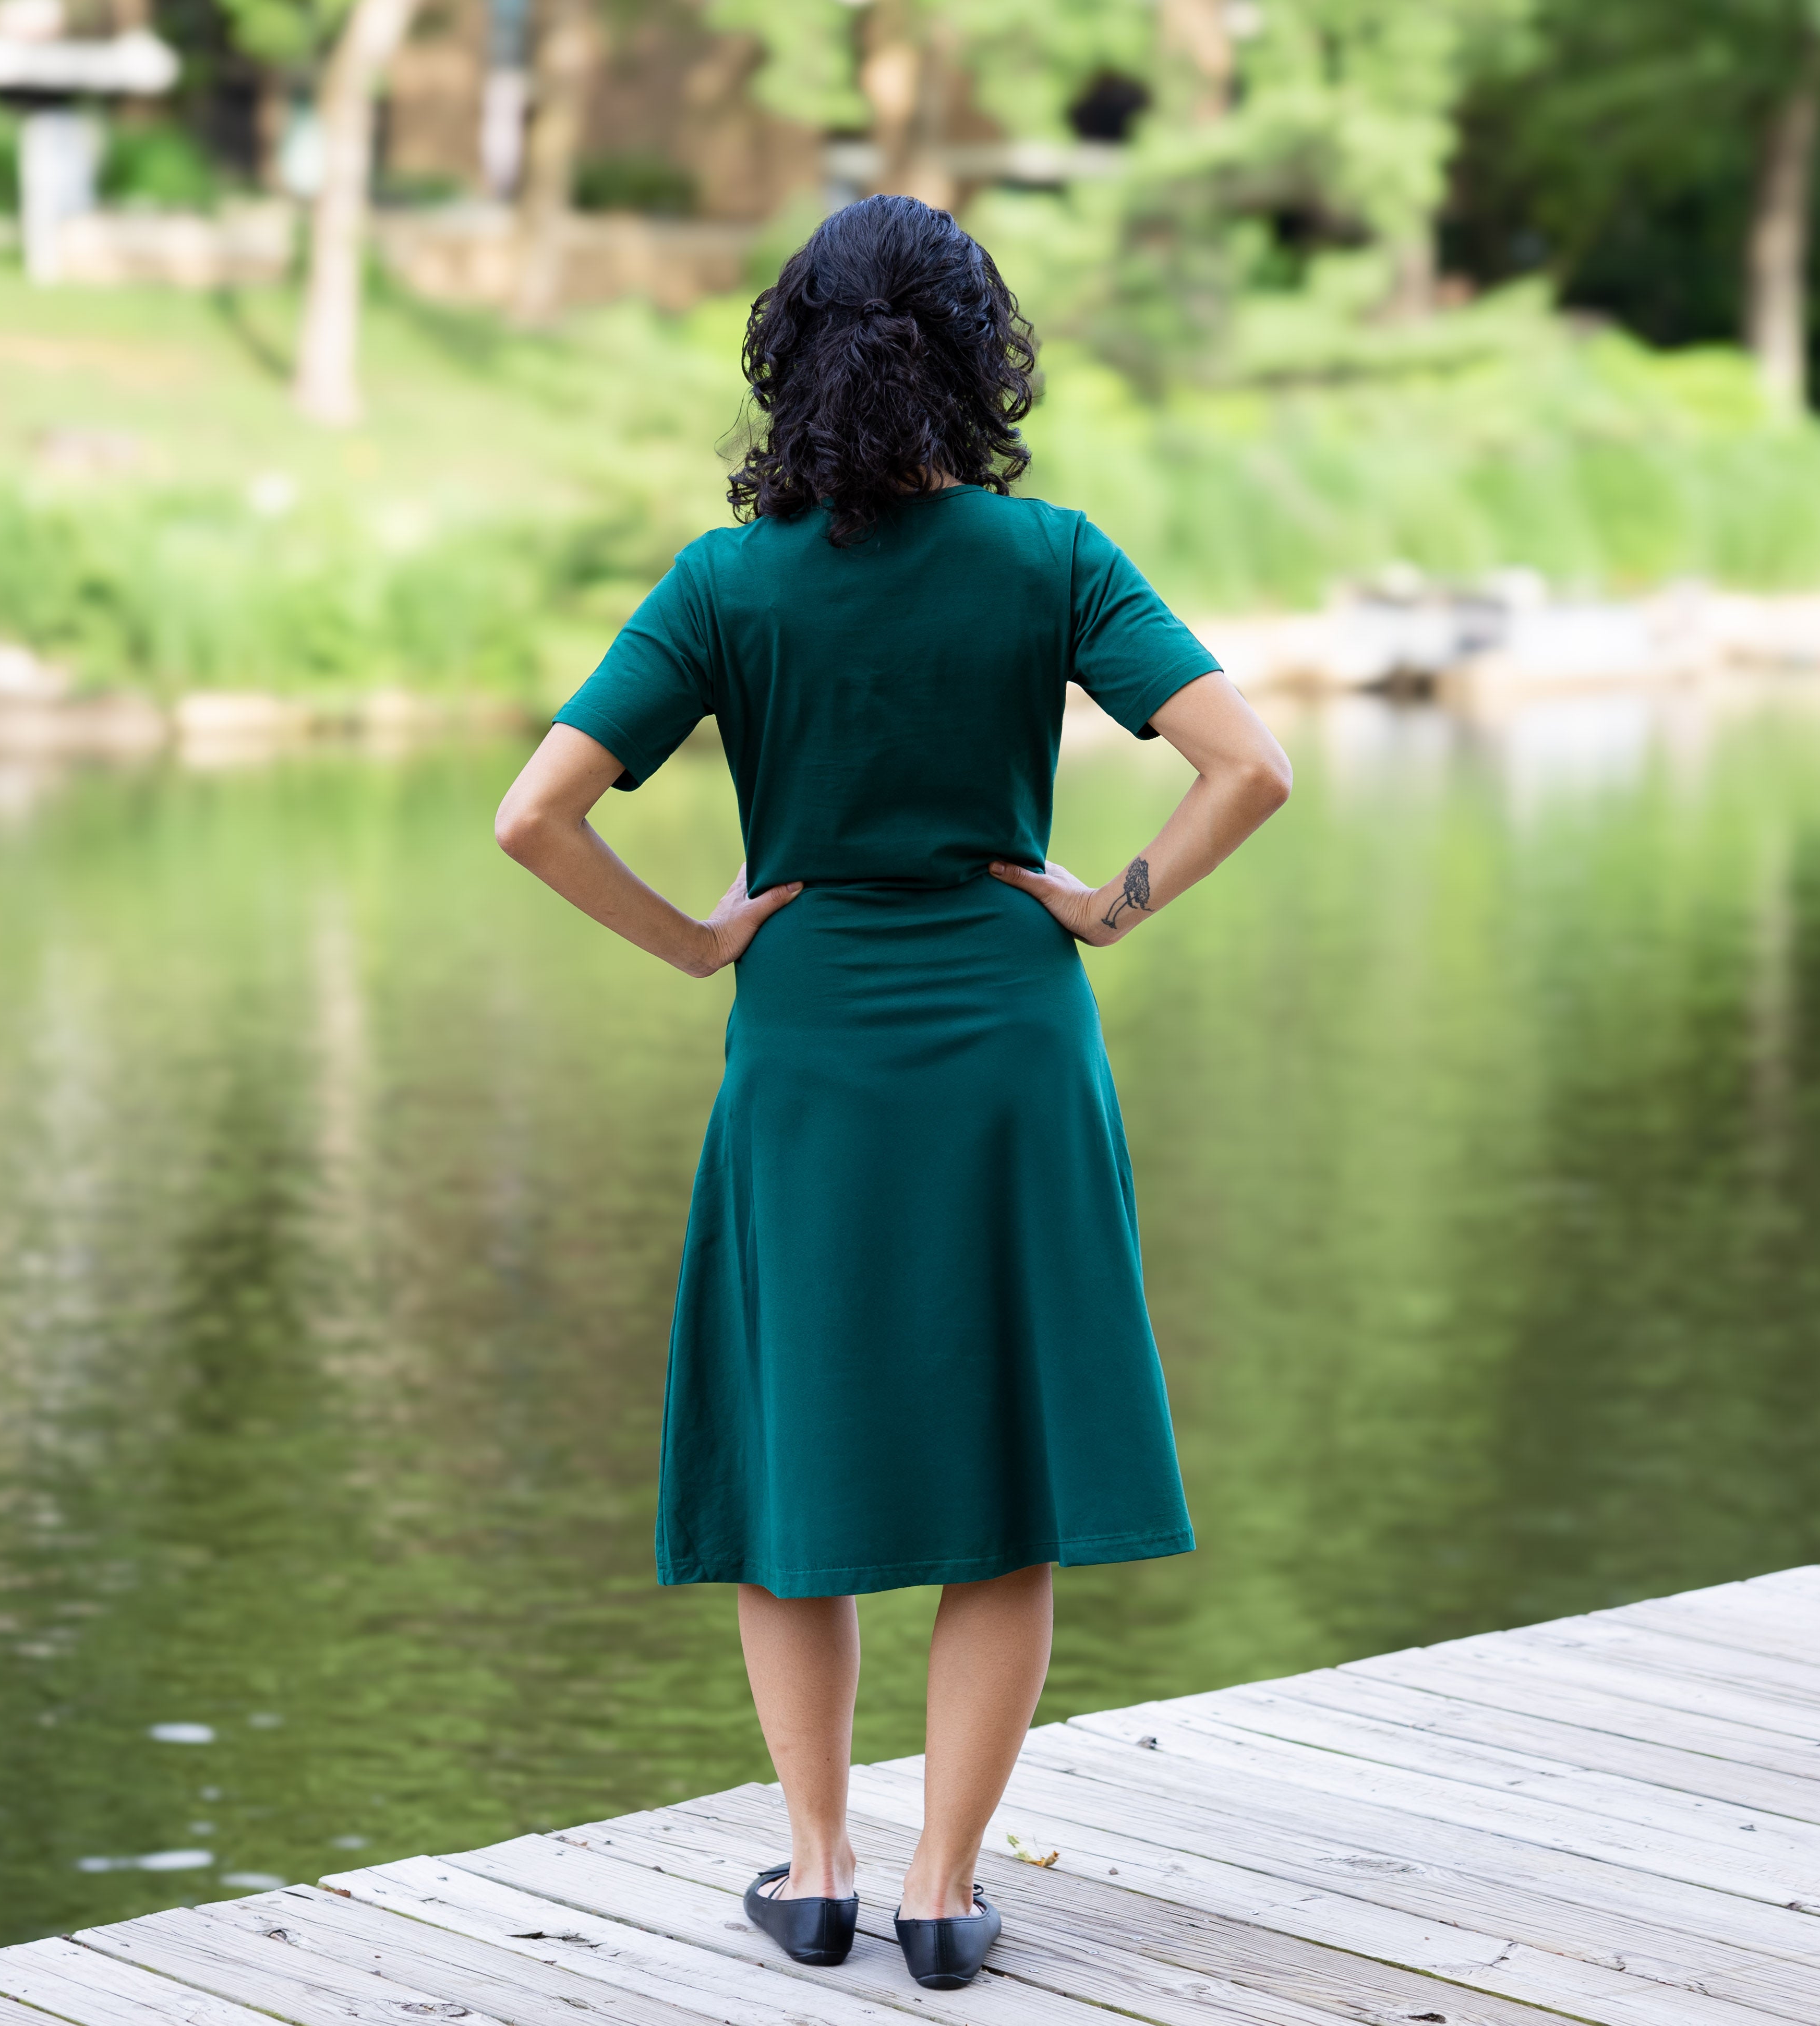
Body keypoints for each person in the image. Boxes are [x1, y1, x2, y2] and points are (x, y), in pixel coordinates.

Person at [494, 193, 1290, 1991]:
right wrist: (1103, 904)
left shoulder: (726, 581)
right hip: (1012, 1041)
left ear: (788, 357)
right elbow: (1249, 766)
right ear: (978, 353)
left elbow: (532, 816)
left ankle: (817, 1869)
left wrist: (697, 945)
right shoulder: (1051, 556)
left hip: (807, 1057)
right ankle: (942, 1891)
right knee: (1001, 1475)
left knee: (803, 1467)